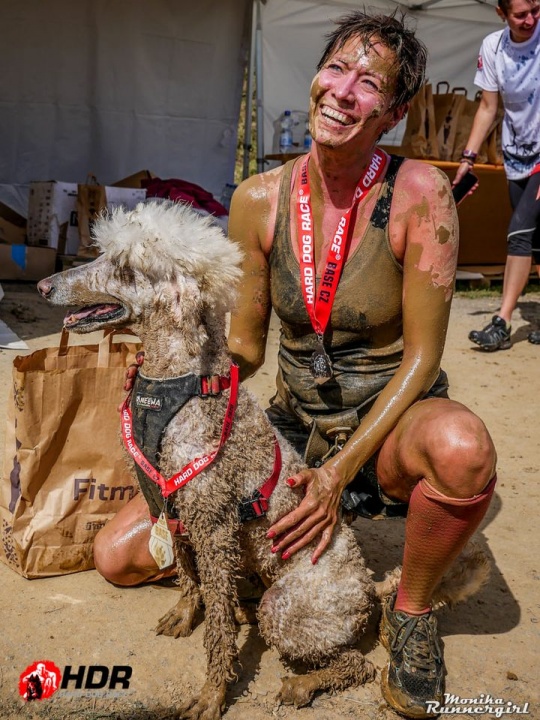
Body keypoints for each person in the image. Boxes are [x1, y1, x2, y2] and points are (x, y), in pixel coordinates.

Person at [94, 11, 497, 719]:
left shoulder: (420, 194)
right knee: (118, 555)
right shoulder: (259, 198)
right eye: (336, 69)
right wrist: (179, 368)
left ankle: (408, 609)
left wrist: (340, 473)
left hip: (390, 422)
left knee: (463, 452)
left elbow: (425, 356)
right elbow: (246, 346)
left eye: (368, 82)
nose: (343, 91)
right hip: (294, 426)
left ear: (394, 113)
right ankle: (273, 571)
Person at [453, 0, 540, 351]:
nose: (531, 19)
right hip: (516, 155)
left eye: (537, 9)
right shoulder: (493, 47)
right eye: (521, 14)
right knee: (536, 242)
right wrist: (467, 160)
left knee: (518, 232)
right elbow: (488, 108)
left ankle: (502, 322)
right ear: (501, 14)